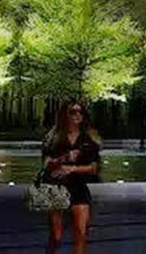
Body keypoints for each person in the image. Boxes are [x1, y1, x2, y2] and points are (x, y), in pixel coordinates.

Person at [41, 100, 101, 254]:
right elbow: (46, 164)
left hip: (78, 187)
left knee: (80, 234)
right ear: (64, 115)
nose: (77, 115)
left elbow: (94, 168)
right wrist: (64, 158)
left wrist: (72, 169)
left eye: (80, 112)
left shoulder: (88, 139)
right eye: (72, 112)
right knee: (56, 236)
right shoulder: (53, 138)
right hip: (57, 188)